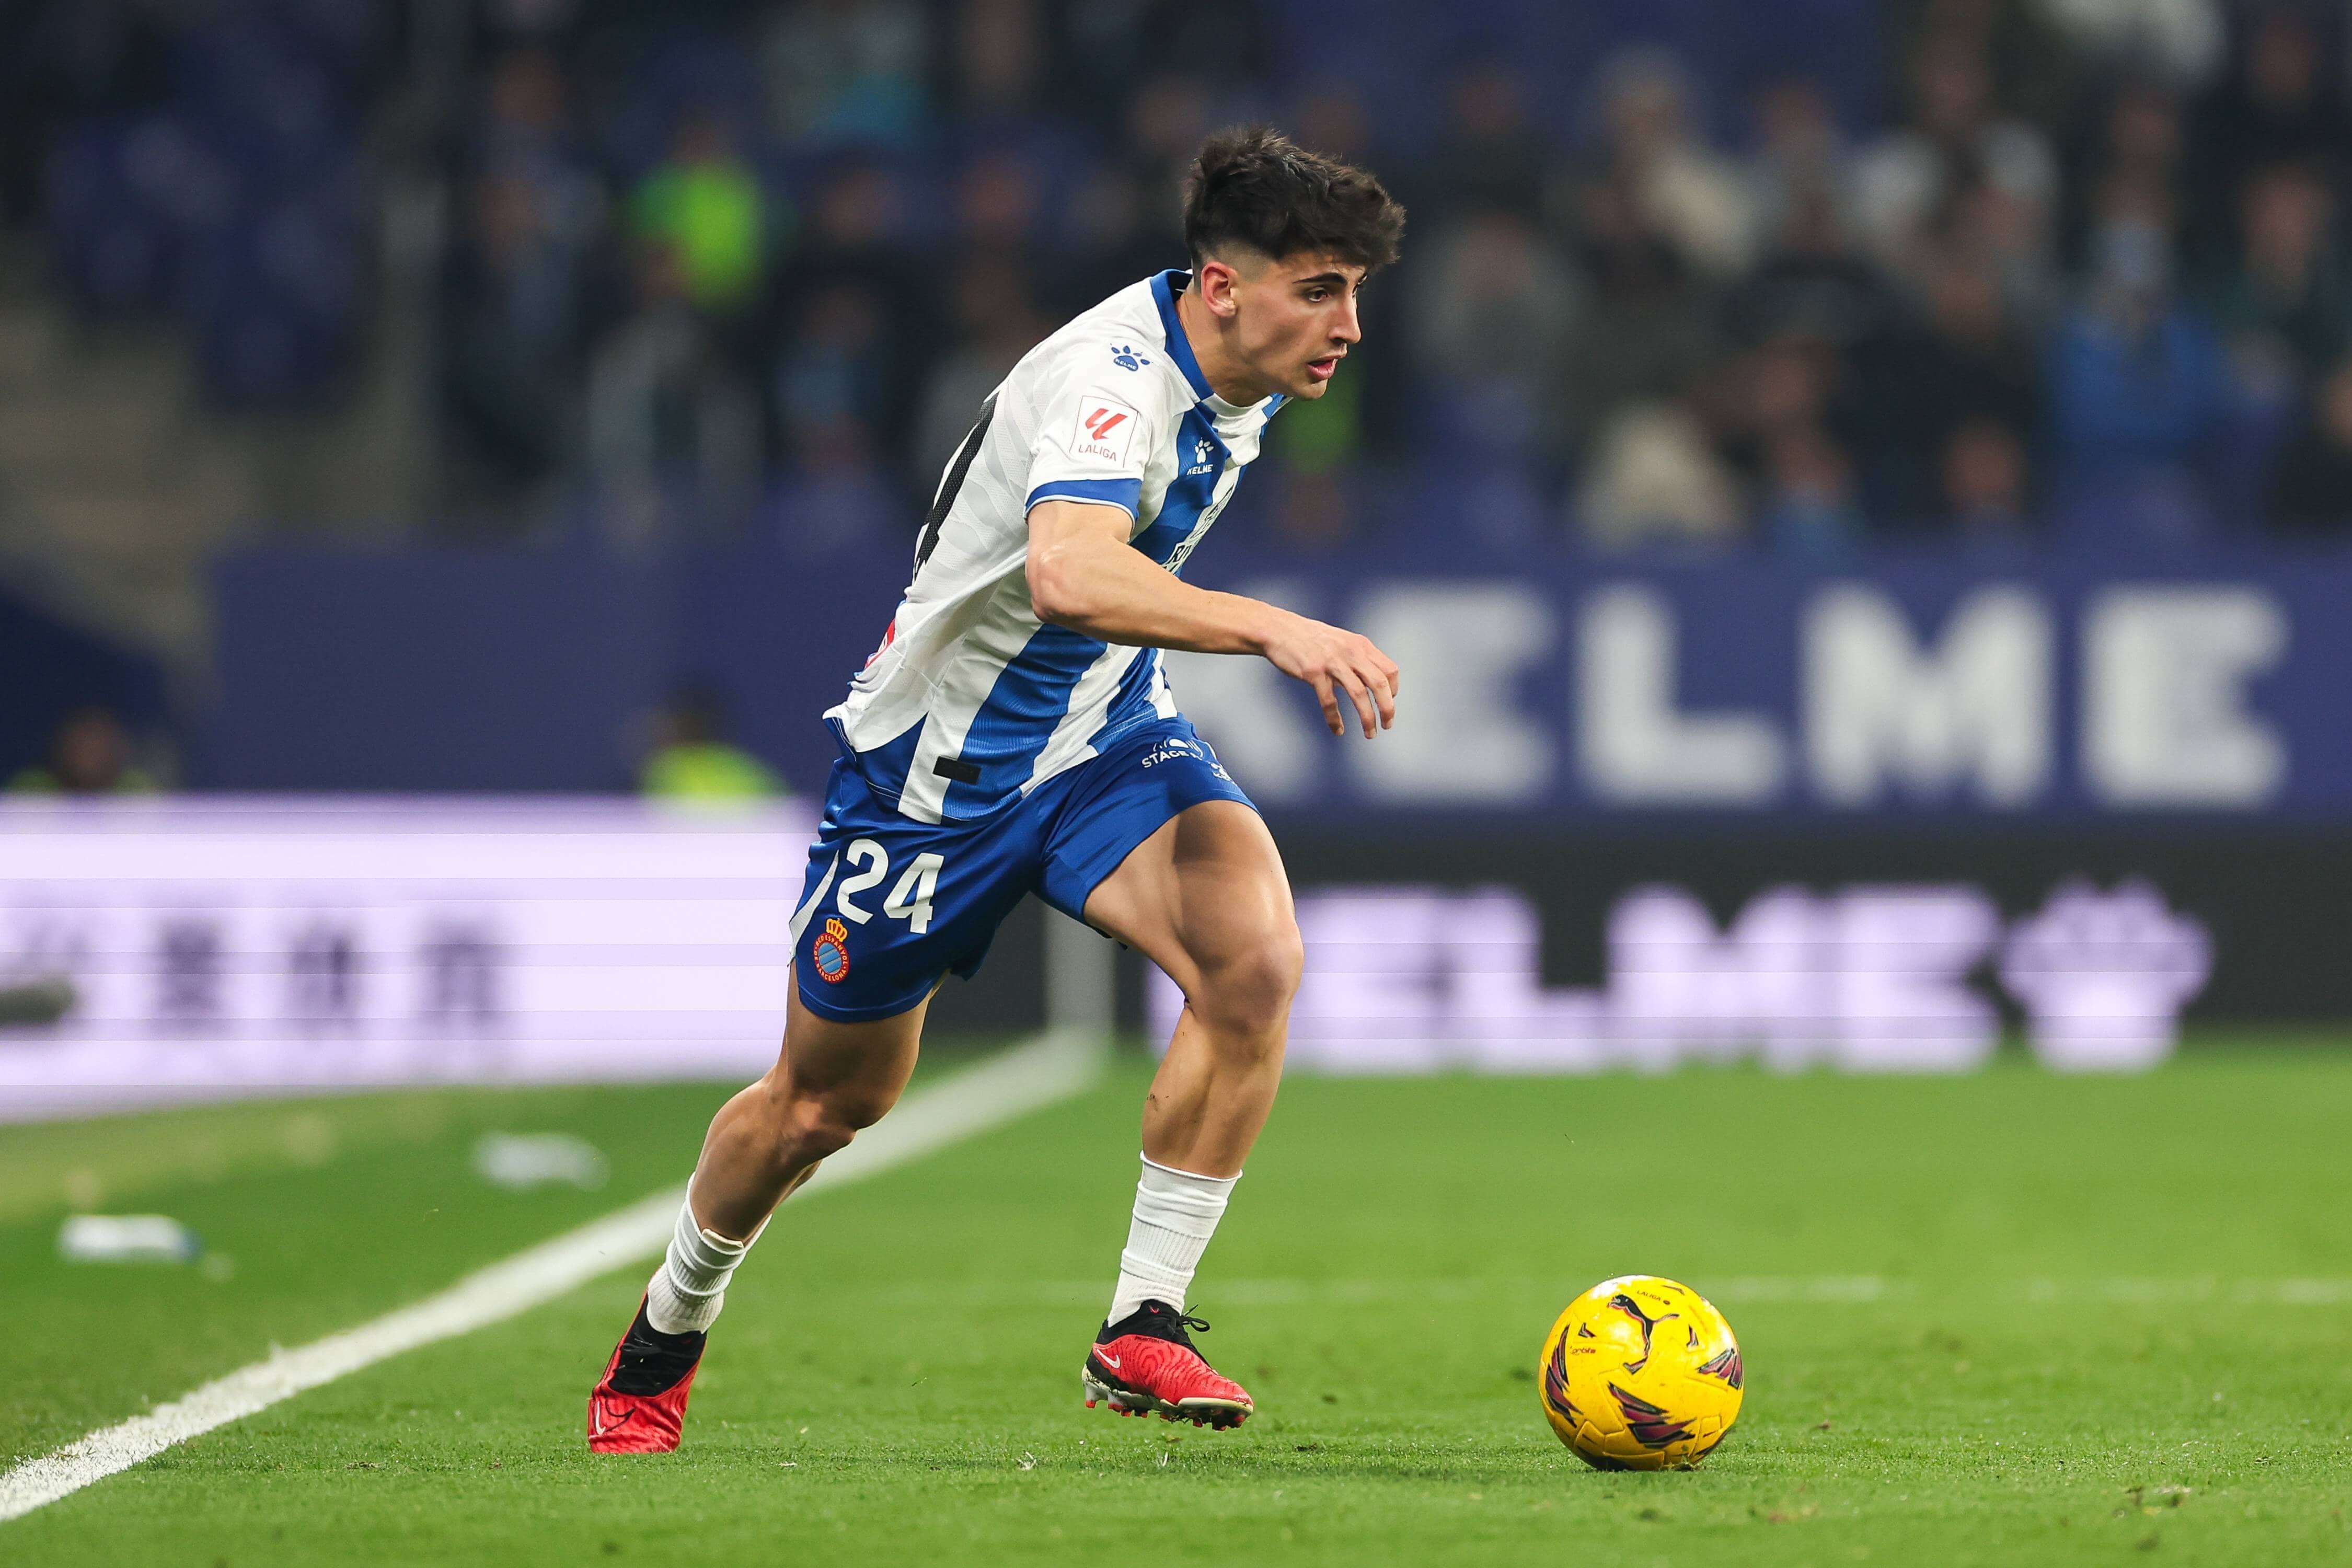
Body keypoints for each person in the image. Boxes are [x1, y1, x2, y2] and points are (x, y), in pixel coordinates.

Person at [587, 128, 1406, 1452]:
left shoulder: (1243, 375)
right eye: (1320, 291)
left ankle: (1144, 1320)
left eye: (1355, 293)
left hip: (1101, 733)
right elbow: (1068, 573)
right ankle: (664, 1332)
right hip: (937, 776)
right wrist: (1276, 626)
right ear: (1220, 286)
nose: (1349, 326)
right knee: (823, 1105)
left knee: (1253, 960)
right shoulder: (1111, 381)